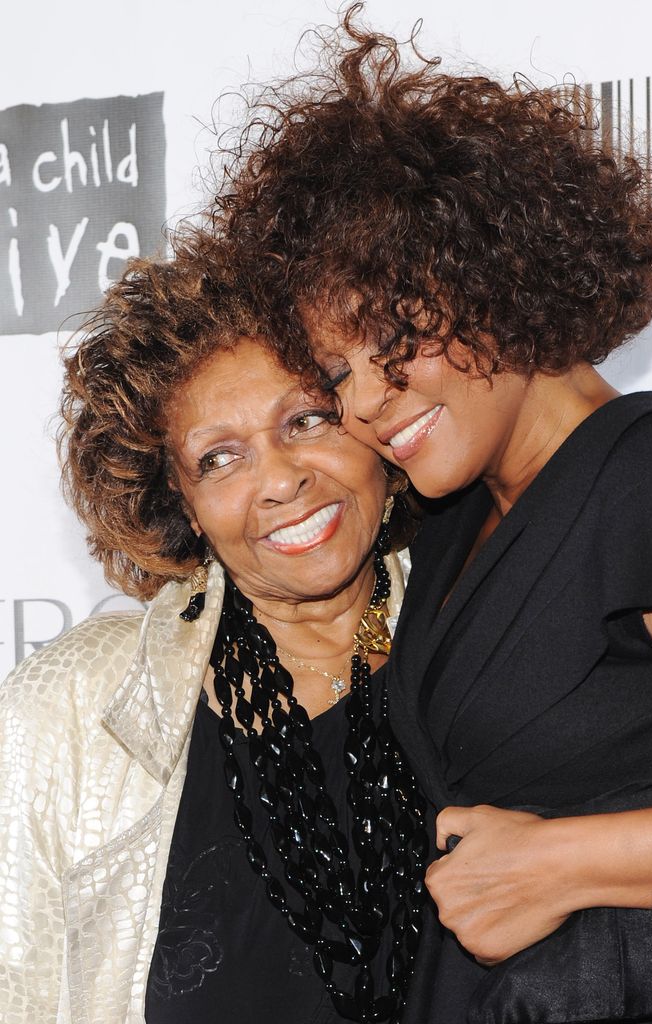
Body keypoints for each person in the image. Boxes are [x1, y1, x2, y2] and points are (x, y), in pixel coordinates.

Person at [204, 12, 652, 1023]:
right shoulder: (453, 520)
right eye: (337, 371)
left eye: (395, 336)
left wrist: (566, 861)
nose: (365, 401)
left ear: (502, 269)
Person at [0, 256, 428, 1024]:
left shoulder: (484, 633)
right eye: (219, 458)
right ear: (185, 505)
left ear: (374, 430)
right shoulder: (68, 707)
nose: (280, 479)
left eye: (307, 420)